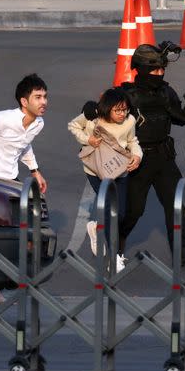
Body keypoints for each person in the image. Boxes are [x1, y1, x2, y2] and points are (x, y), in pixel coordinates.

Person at [119, 42, 185, 265]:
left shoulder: (166, 92)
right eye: (154, 70)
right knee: (133, 211)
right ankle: (117, 241)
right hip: (137, 160)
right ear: (142, 70)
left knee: (176, 204)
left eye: (162, 70)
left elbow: (177, 117)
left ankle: (180, 252)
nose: (159, 74)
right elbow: (106, 117)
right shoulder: (126, 95)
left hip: (163, 158)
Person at [68, 88, 142, 265]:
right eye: (117, 110)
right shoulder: (93, 119)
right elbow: (73, 125)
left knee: (122, 213)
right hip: (96, 171)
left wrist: (137, 156)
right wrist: (88, 140)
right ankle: (114, 256)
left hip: (120, 170)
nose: (122, 114)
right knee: (112, 209)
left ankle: (96, 228)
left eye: (125, 109)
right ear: (107, 109)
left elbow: (132, 141)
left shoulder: (130, 121)